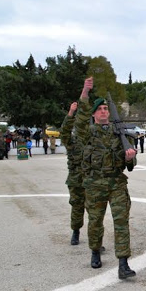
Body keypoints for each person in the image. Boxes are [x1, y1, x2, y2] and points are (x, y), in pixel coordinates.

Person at [76, 77, 137, 279]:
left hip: (116, 183)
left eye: (105, 108)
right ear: (94, 114)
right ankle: (95, 251)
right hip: (94, 184)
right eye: (99, 109)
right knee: (95, 221)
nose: (103, 111)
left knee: (121, 222)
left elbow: (130, 167)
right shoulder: (87, 133)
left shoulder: (119, 133)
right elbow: (80, 116)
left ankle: (123, 263)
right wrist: (85, 93)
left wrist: (131, 157)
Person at [61, 102, 86, 246]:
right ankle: (75, 231)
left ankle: (95, 239)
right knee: (77, 207)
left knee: (95, 212)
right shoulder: (72, 142)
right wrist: (71, 113)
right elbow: (64, 132)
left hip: (91, 180)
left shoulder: (92, 140)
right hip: (76, 180)